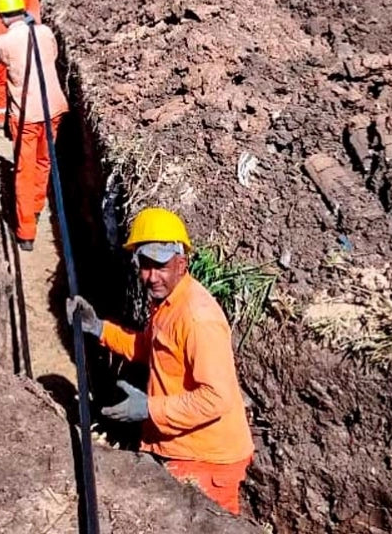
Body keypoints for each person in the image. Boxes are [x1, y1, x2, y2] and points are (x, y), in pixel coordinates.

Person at [66, 208, 255, 515]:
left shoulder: (197, 318)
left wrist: (149, 408)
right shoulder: (169, 303)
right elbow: (148, 348)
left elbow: (215, 398)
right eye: (144, 265)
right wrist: (100, 328)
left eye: (161, 265)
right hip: (184, 447)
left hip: (208, 459)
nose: (151, 276)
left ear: (182, 262)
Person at [0, 0, 68, 251]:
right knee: (44, 160)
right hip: (54, 108)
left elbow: (1, 65)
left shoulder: (3, 43)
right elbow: (54, 56)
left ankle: (26, 232)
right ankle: (36, 208)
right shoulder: (46, 32)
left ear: (2, 16)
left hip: (26, 116)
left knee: (24, 171)